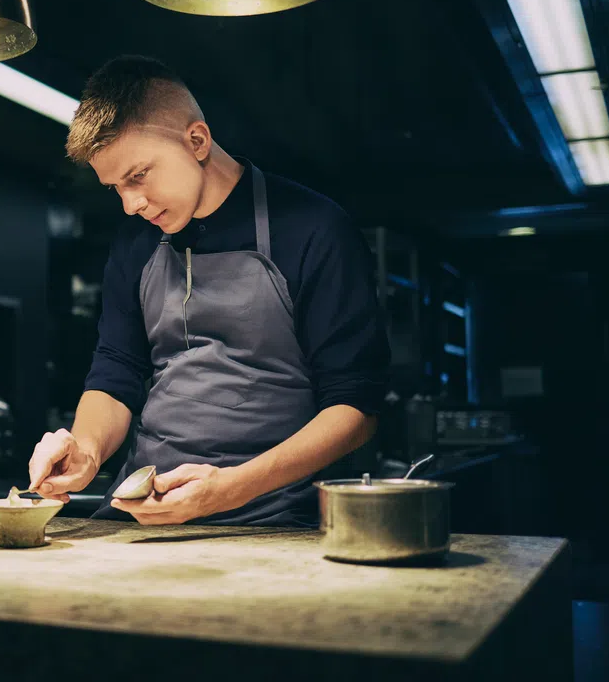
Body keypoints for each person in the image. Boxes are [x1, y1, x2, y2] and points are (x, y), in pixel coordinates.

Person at [27, 56, 390, 526]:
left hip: (272, 516)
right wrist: (87, 450)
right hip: (142, 511)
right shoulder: (136, 244)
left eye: (138, 176)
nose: (131, 204)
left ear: (196, 141)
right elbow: (116, 370)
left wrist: (229, 490)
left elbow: (356, 407)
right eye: (115, 187)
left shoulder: (313, 229)